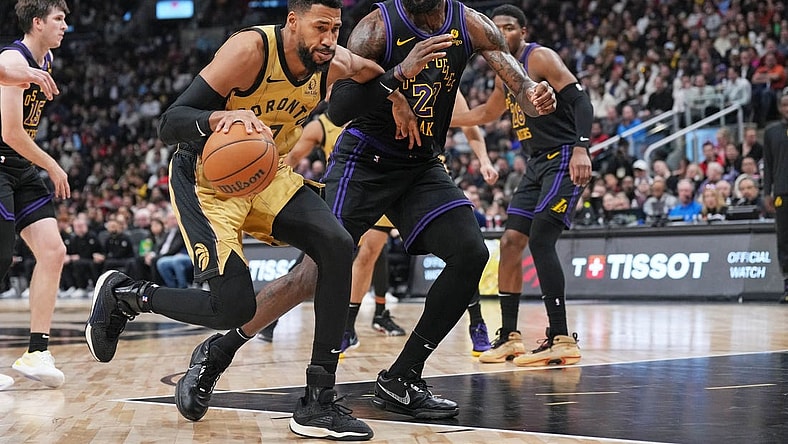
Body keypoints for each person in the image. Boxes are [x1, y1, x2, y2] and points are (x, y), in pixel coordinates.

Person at [84, 0, 441, 439]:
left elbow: (370, 76)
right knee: (232, 307)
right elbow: (170, 122)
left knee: (337, 243)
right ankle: (127, 294)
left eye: (335, 28)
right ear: (293, 21)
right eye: (320, 27)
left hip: (266, 175)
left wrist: (399, 91)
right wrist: (219, 116)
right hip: (207, 181)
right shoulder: (250, 50)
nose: (329, 39)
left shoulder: (332, 59)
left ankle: (318, 401)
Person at [322, 0, 554, 417]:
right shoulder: (378, 26)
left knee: (470, 253)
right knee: (324, 263)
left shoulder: (469, 24)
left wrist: (534, 93)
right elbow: (338, 108)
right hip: (366, 159)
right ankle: (231, 348)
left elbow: (516, 82)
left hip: (420, 164)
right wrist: (397, 79)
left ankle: (401, 377)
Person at [449, 5, 591, 366]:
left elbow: (580, 100)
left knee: (541, 238)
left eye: (509, 27)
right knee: (511, 242)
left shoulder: (539, 57)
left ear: (523, 32)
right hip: (536, 164)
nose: (502, 33)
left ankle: (560, 336)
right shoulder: (504, 74)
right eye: (495, 29)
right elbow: (485, 114)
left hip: (563, 157)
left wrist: (581, 149)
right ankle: (509, 336)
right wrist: (437, 120)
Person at [0, 0, 70, 391]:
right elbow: (10, 131)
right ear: (38, 22)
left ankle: (36, 352)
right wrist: (52, 165)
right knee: (0, 257)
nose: (64, 26)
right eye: (59, 19)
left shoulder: (46, 62)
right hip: (1, 160)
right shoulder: (14, 56)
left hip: (18, 167)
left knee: (53, 251)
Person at [763, 93, 788, 303]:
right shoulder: (772, 132)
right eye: (785, 104)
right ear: (780, 107)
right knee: (785, 240)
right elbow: (768, 165)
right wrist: (767, 192)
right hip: (782, 192)